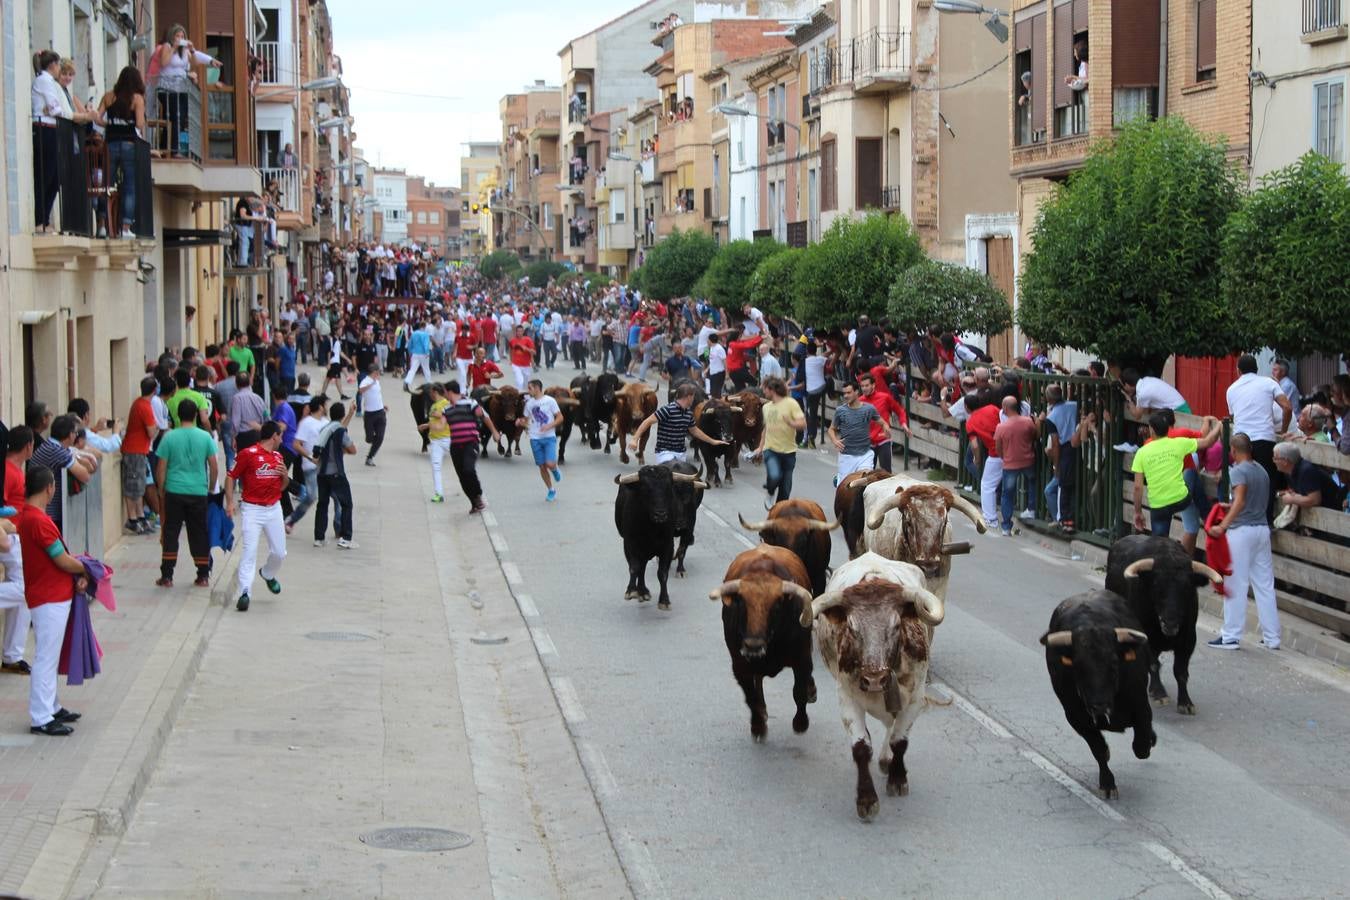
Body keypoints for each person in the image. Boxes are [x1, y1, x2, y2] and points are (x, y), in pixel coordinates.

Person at [17, 467, 89, 736]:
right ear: (49, 488)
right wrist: (83, 568)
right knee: (46, 657)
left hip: (46, 594)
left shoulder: (28, 516)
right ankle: (41, 716)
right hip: (49, 597)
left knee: (49, 654)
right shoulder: (39, 520)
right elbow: (60, 558)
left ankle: (51, 706)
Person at [1207, 433, 1280, 651]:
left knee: (1235, 583)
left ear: (1234, 450)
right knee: (1265, 584)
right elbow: (1249, 501)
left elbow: (1239, 500)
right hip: (1261, 529)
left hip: (1242, 531)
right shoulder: (1262, 471)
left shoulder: (1238, 470)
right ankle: (1272, 637)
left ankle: (1230, 635)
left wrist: (1223, 525)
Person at [225, 421, 289, 613]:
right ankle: (245, 592)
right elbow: (231, 476)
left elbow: (283, 486)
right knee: (249, 551)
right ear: (274, 436)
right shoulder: (247, 454)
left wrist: (285, 475)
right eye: (280, 436)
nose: (281, 440)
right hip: (252, 509)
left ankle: (268, 573)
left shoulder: (278, 457)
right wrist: (229, 502)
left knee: (279, 552)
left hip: (273, 508)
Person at [155, 398, 218, 589]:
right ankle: (203, 575)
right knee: (199, 532)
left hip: (174, 490)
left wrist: (161, 490)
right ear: (196, 416)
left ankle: (167, 576)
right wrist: (210, 488)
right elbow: (214, 467)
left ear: (177, 415)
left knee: (171, 531)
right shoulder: (205, 437)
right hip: (198, 491)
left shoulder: (169, 438)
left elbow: (161, 468)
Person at [1131, 412, 1222, 537]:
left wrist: (1138, 512)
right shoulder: (1179, 442)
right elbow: (1208, 442)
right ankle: (1208, 517)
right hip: (1181, 499)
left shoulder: (1142, 452)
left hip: (1159, 505)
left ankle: (1161, 553)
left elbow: (1137, 487)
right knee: (1191, 472)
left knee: (1159, 543)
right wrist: (1220, 425)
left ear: (1151, 430)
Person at [1226, 353, 1292, 522]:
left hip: (1241, 442)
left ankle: (1241, 520)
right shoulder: (1268, 383)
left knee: (1242, 482)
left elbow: (1233, 417)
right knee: (1266, 483)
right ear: (1257, 369)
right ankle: (1266, 522)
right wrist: (1283, 431)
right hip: (1264, 439)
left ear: (1238, 371)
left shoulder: (1231, 389)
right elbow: (1287, 407)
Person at [96, 66, 148, 239]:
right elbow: (140, 124)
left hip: (110, 143)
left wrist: (109, 125)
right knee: (129, 186)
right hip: (129, 144)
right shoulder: (137, 99)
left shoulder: (109, 96)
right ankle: (125, 227)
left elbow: (97, 117)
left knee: (106, 184)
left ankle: (102, 226)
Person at [630, 382, 727, 466]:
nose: (693, 399)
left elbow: (695, 431)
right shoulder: (667, 410)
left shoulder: (688, 413)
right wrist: (635, 439)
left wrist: (712, 441)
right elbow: (647, 422)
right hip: (665, 453)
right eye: (693, 396)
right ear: (689, 397)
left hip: (680, 454)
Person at [442, 381, 500, 514]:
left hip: (470, 443)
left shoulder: (470, 403)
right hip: (455, 447)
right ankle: (474, 503)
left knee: (468, 470)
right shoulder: (446, 409)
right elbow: (441, 423)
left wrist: (495, 432)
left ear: (449, 392)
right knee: (462, 477)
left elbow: (484, 416)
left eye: (445, 392)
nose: (444, 394)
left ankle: (478, 495)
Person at [755, 377, 806, 508]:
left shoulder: (791, 403)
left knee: (785, 490)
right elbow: (766, 429)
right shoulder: (766, 407)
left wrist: (791, 423)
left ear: (771, 389)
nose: (763, 391)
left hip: (789, 452)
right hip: (771, 450)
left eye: (764, 388)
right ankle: (770, 491)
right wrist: (760, 447)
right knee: (774, 475)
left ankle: (777, 513)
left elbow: (803, 424)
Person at [313, 401, 358, 549]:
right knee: (347, 504)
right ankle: (346, 538)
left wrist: (350, 414)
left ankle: (319, 538)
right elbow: (352, 449)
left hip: (321, 473)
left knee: (322, 504)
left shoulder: (325, 429)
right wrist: (342, 450)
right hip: (336, 473)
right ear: (342, 415)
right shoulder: (340, 431)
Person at [994, 396, 1038, 537]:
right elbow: (1034, 435)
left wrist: (1004, 457)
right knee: (1032, 481)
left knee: (1007, 494)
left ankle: (1006, 526)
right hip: (1028, 460)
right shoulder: (1027, 422)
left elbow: (998, 448)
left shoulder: (1001, 427)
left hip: (1010, 463)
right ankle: (1031, 508)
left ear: (1005, 408)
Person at [121, 377, 160, 534]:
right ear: (154, 390)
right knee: (133, 485)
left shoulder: (140, 403)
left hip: (138, 450)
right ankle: (132, 519)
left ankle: (140, 516)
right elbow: (151, 432)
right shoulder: (145, 406)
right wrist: (158, 428)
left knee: (139, 485)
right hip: (134, 450)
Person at [1042, 384, 1079, 532]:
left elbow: (1055, 443)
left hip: (1066, 449)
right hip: (1080, 445)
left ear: (1048, 398)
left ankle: (1066, 521)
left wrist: (1056, 465)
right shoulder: (1074, 405)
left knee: (1063, 485)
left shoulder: (1051, 417)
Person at [519, 380, 563, 502]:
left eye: (530, 388)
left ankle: (554, 469)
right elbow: (526, 420)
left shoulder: (550, 401)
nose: (528, 391)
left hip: (549, 437)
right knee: (542, 466)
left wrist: (549, 426)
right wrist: (520, 422)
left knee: (549, 463)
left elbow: (560, 417)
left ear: (537, 388)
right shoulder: (529, 403)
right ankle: (551, 490)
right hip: (535, 438)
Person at [828, 382, 881, 485]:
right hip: (847, 456)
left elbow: (881, 421)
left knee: (865, 481)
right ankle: (839, 479)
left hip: (865, 454)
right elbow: (831, 429)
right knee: (845, 487)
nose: (846, 396)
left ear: (856, 392)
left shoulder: (869, 409)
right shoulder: (840, 410)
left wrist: (885, 427)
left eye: (848, 392)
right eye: (844, 393)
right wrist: (835, 440)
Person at [858, 371, 909, 473]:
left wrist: (903, 424)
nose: (864, 388)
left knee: (886, 473)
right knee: (866, 474)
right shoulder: (859, 401)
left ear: (873, 385)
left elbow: (899, 411)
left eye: (867, 385)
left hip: (883, 440)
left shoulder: (885, 397)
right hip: (868, 442)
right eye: (862, 386)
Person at [1273, 442, 1345, 511]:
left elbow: (1315, 500)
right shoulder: (1289, 471)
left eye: (1275, 458)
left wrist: (1292, 499)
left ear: (1285, 461)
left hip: (1332, 511)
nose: (1273, 461)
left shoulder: (1306, 471)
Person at [1121, 369, 1189, 417]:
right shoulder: (1146, 380)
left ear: (1127, 385)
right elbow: (1146, 410)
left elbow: (1137, 415)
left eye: (1123, 385)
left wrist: (1128, 399)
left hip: (1179, 412)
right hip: (1181, 408)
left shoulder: (1143, 393)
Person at [357, 362, 387, 467]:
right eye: (378, 372)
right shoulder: (365, 381)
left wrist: (383, 405)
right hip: (369, 414)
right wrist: (370, 384)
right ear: (374, 373)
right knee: (369, 438)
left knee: (380, 436)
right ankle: (371, 440)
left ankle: (370, 457)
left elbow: (377, 395)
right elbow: (360, 390)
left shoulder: (377, 381)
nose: (379, 374)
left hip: (380, 412)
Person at [403, 320, 433, 391]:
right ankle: (429, 382)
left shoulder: (414, 334)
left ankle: (407, 381)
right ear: (424, 327)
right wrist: (427, 352)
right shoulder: (425, 334)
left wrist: (410, 351)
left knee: (413, 369)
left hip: (415, 353)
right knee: (426, 368)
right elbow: (426, 344)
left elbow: (410, 344)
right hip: (423, 353)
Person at [508, 325, 536, 391]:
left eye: (521, 331)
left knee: (526, 384)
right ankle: (518, 396)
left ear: (523, 332)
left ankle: (526, 398)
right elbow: (510, 350)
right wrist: (511, 360)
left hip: (526, 365)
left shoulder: (528, 340)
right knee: (520, 381)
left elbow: (534, 352)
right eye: (518, 331)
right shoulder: (512, 341)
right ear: (516, 332)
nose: (519, 333)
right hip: (516, 365)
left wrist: (526, 349)